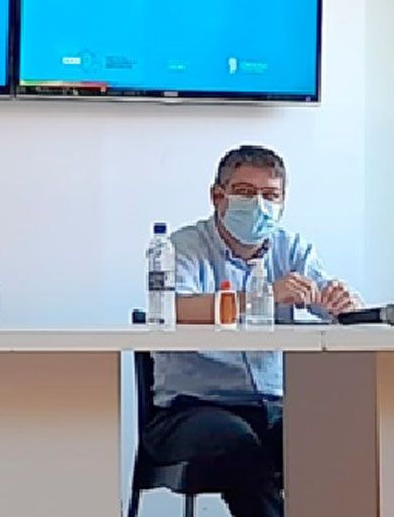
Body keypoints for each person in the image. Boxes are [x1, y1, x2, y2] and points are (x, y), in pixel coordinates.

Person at [144, 145, 361, 517]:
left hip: (275, 406)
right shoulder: (181, 247)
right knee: (240, 446)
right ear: (218, 196)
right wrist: (263, 295)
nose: (259, 204)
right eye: (245, 192)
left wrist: (343, 303)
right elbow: (171, 307)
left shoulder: (292, 248)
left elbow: (333, 303)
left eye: (270, 195)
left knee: (333, 437)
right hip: (193, 409)